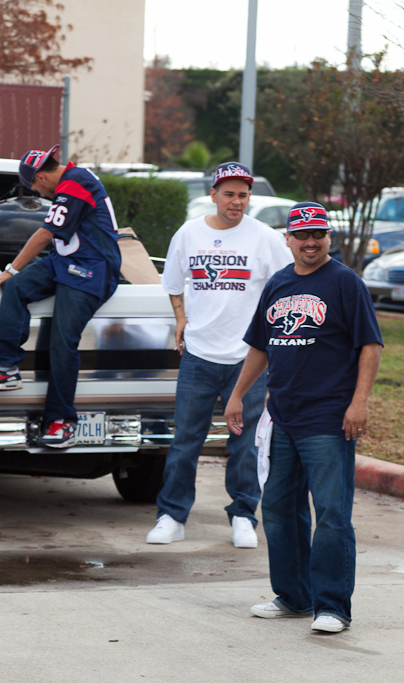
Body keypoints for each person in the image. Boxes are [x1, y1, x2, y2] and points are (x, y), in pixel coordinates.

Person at [224, 201, 382, 634]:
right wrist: (237, 395)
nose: (310, 242)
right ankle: (294, 596)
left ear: (328, 237)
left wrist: (359, 402)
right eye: (302, 235)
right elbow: (260, 346)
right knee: (279, 508)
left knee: (331, 513)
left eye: (318, 234)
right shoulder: (278, 283)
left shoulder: (345, 282)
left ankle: (332, 606)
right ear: (288, 239)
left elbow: (370, 345)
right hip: (281, 417)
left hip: (328, 419)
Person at [146, 162, 292, 548]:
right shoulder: (189, 234)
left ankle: (244, 516)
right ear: (213, 195)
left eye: (243, 195)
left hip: (249, 359)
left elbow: (287, 286)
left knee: (245, 444)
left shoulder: (265, 238)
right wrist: (181, 318)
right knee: (185, 440)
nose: (236, 201)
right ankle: (172, 516)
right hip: (198, 354)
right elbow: (173, 283)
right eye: (229, 194)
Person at [0, 145, 121, 448]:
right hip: (64, 259)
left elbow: (44, 234)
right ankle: (5, 368)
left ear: (41, 178)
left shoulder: (74, 183)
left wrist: (10, 269)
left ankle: (62, 422)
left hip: (92, 268)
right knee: (15, 288)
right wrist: (12, 276)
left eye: (35, 189)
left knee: (62, 342)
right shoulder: (73, 178)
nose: (39, 194)